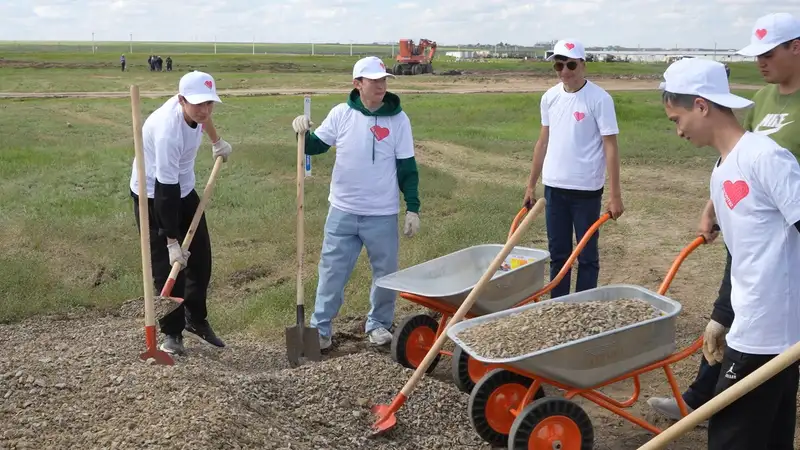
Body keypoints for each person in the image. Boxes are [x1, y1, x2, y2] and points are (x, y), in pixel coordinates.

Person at [648, 12, 800, 424]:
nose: (677, 132)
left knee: (733, 434)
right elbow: (742, 254)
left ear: (701, 105)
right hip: (753, 324)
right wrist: (722, 317)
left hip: (770, 332)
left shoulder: (766, 158)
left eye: (677, 120)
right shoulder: (723, 167)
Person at [290, 56, 421, 351]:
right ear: (357, 84)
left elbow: (407, 167)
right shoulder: (341, 114)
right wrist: (300, 131)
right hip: (343, 210)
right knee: (332, 272)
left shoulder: (399, 119)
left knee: (386, 274)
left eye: (383, 80)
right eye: (374, 81)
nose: (381, 86)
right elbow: (315, 146)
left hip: (382, 213)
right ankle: (320, 329)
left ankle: (378, 324)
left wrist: (412, 207)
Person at [129, 70, 233, 355]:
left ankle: (196, 320)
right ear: (181, 99)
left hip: (184, 189)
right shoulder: (167, 132)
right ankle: (172, 334)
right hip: (153, 195)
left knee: (200, 257)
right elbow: (165, 193)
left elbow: (204, 119)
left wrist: (216, 141)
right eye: (198, 104)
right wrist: (172, 242)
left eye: (209, 103)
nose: (205, 109)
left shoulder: (198, 112)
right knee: (167, 268)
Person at [522, 39, 624, 299]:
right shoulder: (549, 98)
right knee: (558, 254)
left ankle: (584, 305)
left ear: (583, 65)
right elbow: (542, 141)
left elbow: (610, 147)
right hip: (554, 188)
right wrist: (531, 184)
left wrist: (615, 196)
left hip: (586, 190)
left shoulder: (600, 99)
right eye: (559, 65)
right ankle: (559, 306)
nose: (564, 71)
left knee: (587, 255)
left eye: (570, 64)